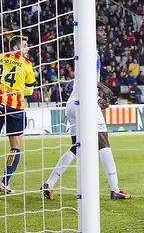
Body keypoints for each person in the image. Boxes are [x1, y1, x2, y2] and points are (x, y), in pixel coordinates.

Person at [42, 21, 131, 200]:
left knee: (77, 147)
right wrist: (102, 89)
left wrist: (97, 97)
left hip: (73, 102)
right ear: (92, 32)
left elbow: (84, 79)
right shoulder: (91, 50)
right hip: (84, 102)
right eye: (101, 30)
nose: (105, 33)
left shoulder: (87, 50)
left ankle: (49, 184)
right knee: (103, 141)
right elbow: (85, 77)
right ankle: (114, 189)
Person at [0, 36, 36, 194]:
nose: (27, 49)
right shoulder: (26, 64)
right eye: (25, 45)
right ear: (15, 48)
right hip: (15, 108)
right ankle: (5, 182)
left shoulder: (0, 58)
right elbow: (29, 90)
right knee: (15, 147)